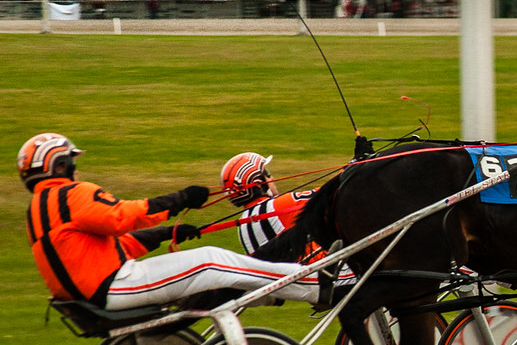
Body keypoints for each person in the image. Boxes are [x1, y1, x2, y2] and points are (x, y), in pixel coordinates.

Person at [18, 133, 334, 312]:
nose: (75, 169)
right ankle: (315, 285)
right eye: (71, 161)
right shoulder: (70, 195)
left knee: (216, 266)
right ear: (59, 165)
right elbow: (122, 218)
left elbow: (115, 245)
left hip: (95, 290)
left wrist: (169, 233)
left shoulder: (39, 209)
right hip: (114, 287)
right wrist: (180, 199)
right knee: (212, 260)